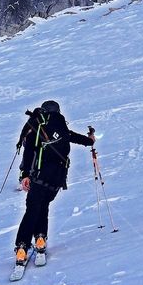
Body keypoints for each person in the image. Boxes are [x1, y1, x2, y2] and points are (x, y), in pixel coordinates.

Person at [13, 100, 94, 268]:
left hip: (40, 176)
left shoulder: (38, 126)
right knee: (43, 206)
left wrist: (25, 175)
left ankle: (22, 247)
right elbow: (77, 138)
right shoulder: (62, 127)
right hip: (58, 179)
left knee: (32, 209)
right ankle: (41, 239)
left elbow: (29, 152)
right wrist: (90, 140)